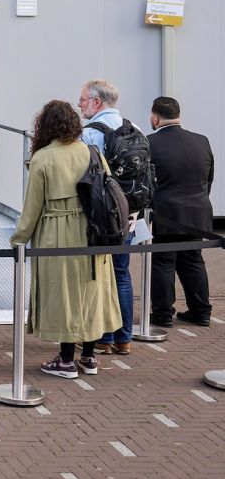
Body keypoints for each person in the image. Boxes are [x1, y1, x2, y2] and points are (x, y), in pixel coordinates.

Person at [12, 99, 121, 379]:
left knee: (64, 294)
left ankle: (65, 361)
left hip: (57, 232)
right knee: (89, 292)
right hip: (93, 231)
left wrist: (19, 239)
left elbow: (32, 207)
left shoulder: (43, 158)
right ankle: (88, 357)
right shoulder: (91, 151)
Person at [78, 79, 140, 356]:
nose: (79, 104)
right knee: (121, 274)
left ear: (97, 102)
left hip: (101, 216)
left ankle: (102, 337)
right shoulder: (133, 128)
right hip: (129, 215)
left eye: (82, 100)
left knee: (99, 275)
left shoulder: (91, 133)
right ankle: (124, 337)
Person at [148, 96, 214, 328]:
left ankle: (163, 314)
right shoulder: (201, 141)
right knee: (193, 260)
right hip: (197, 213)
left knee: (163, 262)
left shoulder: (150, 143)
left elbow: (148, 183)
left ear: (155, 117)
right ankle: (201, 311)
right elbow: (208, 179)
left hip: (165, 214)